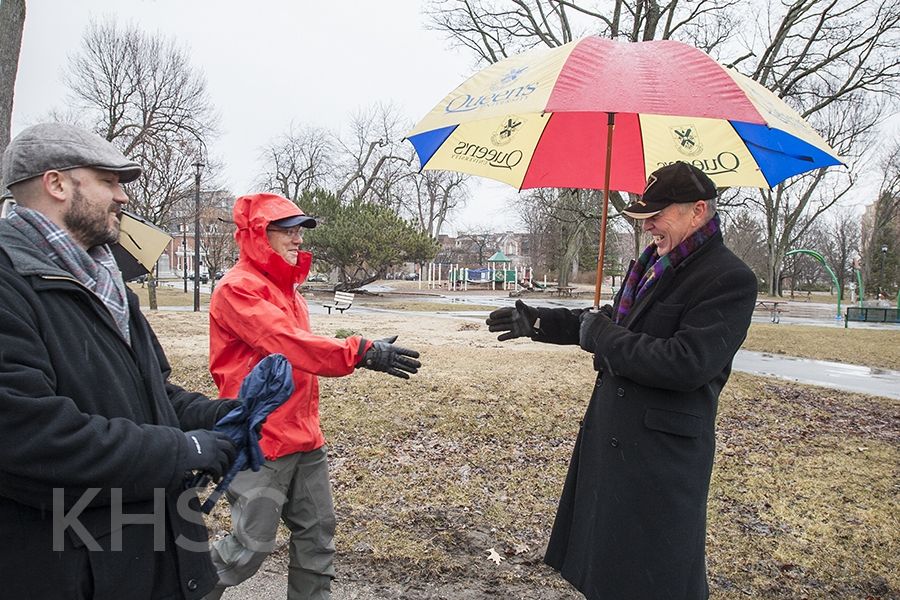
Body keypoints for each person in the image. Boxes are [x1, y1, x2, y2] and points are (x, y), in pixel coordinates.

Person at [487, 161, 758, 600]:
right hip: (615, 442)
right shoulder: (655, 264)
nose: (648, 225)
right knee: (610, 570)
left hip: (662, 461)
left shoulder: (729, 279)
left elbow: (686, 362)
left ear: (698, 210)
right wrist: (537, 322)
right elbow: (611, 322)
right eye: (644, 215)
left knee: (656, 578)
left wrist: (604, 337)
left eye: (658, 215)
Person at [0, 123, 240, 599]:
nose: (123, 197)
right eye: (109, 181)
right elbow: (28, 433)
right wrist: (185, 451)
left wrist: (225, 415)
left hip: (151, 554)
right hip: (72, 570)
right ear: (58, 184)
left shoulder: (105, 282)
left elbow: (153, 392)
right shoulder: (10, 283)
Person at [205, 192, 422, 600]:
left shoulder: (290, 292)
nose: (298, 239)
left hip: (305, 437)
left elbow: (302, 343)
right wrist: (359, 352)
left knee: (318, 535)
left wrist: (358, 347)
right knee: (247, 550)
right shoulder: (238, 289)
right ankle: (183, 589)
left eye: (300, 231)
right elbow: (285, 343)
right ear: (257, 234)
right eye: (286, 231)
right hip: (260, 439)